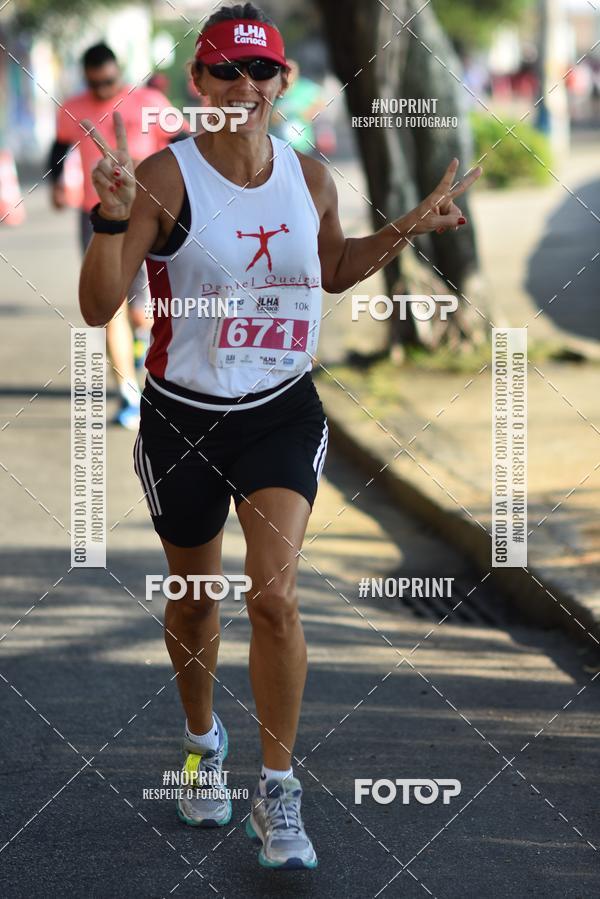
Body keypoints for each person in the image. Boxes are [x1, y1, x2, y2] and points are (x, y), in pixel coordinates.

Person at [79, 2, 481, 870]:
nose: (245, 85)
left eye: (261, 70)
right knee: (196, 597)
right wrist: (110, 221)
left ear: (283, 81)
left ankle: (278, 789)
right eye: (226, 69)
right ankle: (201, 741)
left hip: (279, 410)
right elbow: (98, 306)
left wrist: (407, 227)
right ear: (199, 82)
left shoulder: (311, 177)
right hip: (183, 417)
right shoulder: (164, 178)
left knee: (275, 596)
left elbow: (332, 269)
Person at [49, 42, 186, 428]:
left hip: (149, 214)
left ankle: (143, 344)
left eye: (109, 81)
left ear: (119, 73)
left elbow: (185, 146)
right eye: (95, 84)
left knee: (142, 313)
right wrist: (56, 184)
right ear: (86, 79)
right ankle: (129, 395)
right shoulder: (73, 108)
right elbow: (58, 149)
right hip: (98, 215)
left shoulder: (150, 102)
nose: (103, 90)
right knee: (110, 305)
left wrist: (152, 169)